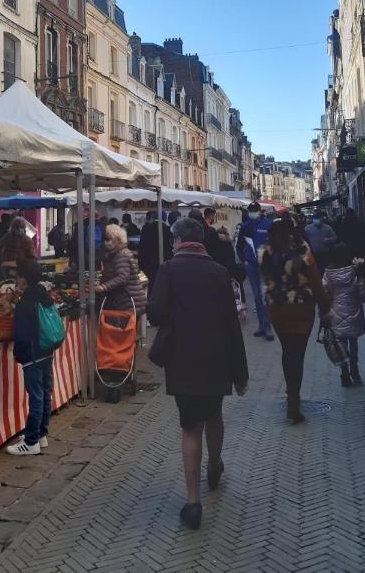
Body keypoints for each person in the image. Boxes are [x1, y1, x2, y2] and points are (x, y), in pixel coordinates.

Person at [149, 215, 248, 530]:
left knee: (190, 427)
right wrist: (240, 370)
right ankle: (214, 465)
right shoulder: (219, 272)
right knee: (214, 414)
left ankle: (193, 502)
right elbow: (233, 323)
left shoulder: (168, 269)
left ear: (177, 241)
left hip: (183, 358)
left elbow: (156, 312)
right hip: (217, 356)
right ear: (202, 241)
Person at [260, 216, 330, 423]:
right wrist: (325, 308)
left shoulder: (265, 251)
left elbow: (265, 278)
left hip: (278, 308)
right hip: (301, 308)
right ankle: (294, 400)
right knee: (297, 355)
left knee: (287, 351)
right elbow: (316, 282)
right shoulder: (302, 249)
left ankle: (291, 396)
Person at [6, 261, 55, 456]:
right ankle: (41, 434)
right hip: (46, 351)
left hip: (33, 354)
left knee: (36, 397)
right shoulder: (43, 295)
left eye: (18, 276)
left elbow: (22, 333)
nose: (16, 279)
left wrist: (20, 353)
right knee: (44, 393)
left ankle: (31, 441)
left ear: (24, 279)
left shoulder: (25, 303)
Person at [322, 242, 365, 387]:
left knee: (339, 342)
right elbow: (363, 294)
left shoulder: (328, 273)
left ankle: (344, 372)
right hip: (354, 310)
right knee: (353, 341)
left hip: (335, 311)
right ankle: (355, 369)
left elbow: (325, 293)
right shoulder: (355, 271)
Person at [236, 202, 274, 340]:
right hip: (251, 266)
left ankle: (267, 327)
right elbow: (239, 246)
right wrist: (244, 259)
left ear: (260, 211)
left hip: (265, 266)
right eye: (250, 211)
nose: (252, 213)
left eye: (254, 211)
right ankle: (261, 326)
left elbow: (273, 245)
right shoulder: (245, 227)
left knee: (264, 296)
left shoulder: (268, 225)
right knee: (257, 297)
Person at [95, 224, 146, 316]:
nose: (107, 242)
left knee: (125, 329)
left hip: (128, 301)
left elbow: (123, 277)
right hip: (131, 300)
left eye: (109, 239)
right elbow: (139, 274)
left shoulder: (121, 255)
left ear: (118, 240)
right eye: (105, 239)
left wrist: (104, 287)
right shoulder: (118, 254)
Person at [137, 210, 172, 293]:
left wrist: (141, 265)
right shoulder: (168, 230)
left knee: (150, 287)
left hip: (148, 264)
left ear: (154, 217)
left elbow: (141, 247)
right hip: (163, 264)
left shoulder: (146, 228)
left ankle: (150, 303)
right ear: (165, 218)